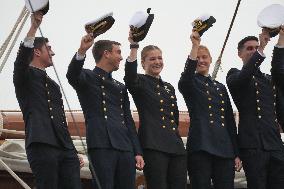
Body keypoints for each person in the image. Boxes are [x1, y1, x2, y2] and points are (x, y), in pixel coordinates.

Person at [13, 12, 82, 189]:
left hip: (64, 147)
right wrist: (34, 27)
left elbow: (60, 120)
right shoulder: (24, 76)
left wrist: (72, 151)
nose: (53, 52)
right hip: (41, 143)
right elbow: (21, 60)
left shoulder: (53, 85)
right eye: (48, 48)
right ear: (36, 51)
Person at [66, 33, 144, 189]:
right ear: (106, 54)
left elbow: (128, 120)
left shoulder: (120, 87)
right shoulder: (87, 77)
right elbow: (72, 75)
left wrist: (137, 151)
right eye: (118, 52)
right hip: (101, 144)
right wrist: (82, 51)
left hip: (125, 147)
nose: (121, 58)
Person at [178, 30, 241, 189]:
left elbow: (229, 121)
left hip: (224, 148)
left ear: (211, 59)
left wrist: (236, 152)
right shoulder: (190, 82)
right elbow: (186, 78)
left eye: (204, 57)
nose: (201, 60)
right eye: (197, 58)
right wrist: (195, 46)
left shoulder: (220, 87)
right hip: (201, 146)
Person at [124, 31, 187, 189]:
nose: (157, 62)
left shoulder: (169, 88)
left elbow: (175, 118)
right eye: (152, 59)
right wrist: (134, 46)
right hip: (153, 146)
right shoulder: (140, 82)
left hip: (176, 146)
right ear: (143, 63)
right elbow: (129, 77)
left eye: (159, 58)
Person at [226, 28, 284, 189]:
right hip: (252, 146)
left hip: (275, 145)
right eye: (249, 48)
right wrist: (261, 49)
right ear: (240, 54)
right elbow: (245, 76)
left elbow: (281, 112)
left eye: (255, 47)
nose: (253, 51)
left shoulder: (269, 80)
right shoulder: (234, 75)